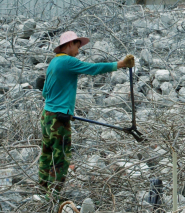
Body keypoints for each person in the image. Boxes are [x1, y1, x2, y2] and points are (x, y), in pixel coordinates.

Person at [39, 31, 133, 197]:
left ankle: (41, 191)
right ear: (69, 45)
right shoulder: (67, 61)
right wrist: (121, 64)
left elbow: (45, 92)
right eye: (77, 45)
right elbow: (93, 69)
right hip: (59, 119)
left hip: (47, 116)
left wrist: (62, 105)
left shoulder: (54, 62)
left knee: (47, 155)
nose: (79, 49)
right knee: (61, 159)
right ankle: (51, 198)